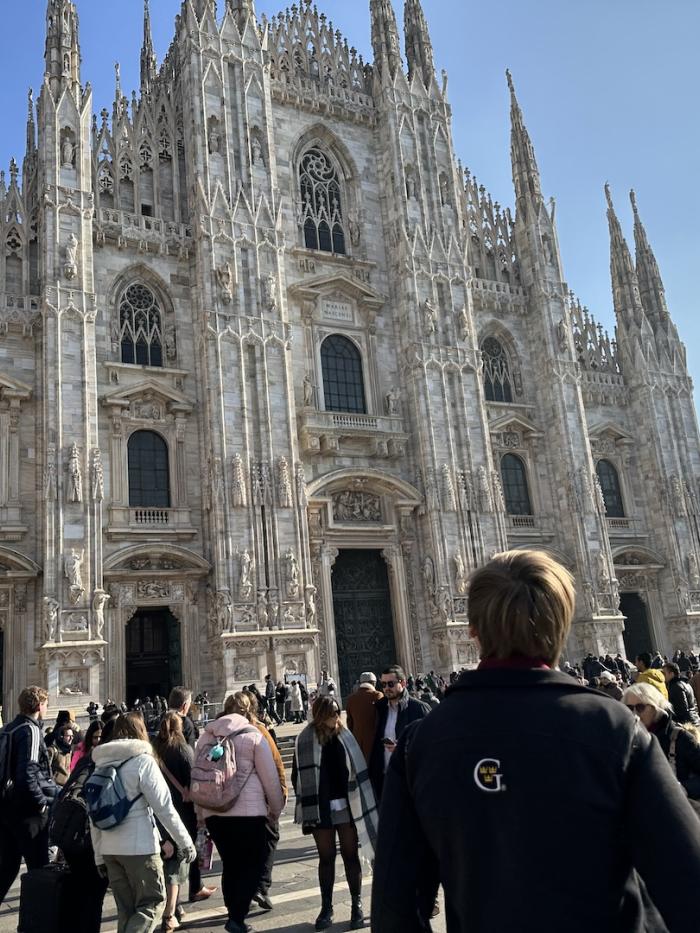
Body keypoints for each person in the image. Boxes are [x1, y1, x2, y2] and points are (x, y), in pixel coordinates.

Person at [371, 549, 700, 932]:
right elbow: (687, 885)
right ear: (562, 622)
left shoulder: (421, 744)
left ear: (472, 630)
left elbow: (394, 909)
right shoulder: (614, 730)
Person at [90, 712, 196, 932]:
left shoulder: (100, 765)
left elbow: (95, 814)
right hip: (139, 849)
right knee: (153, 904)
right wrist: (185, 842)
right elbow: (165, 808)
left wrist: (99, 855)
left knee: (127, 911)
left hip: (110, 850)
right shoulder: (143, 761)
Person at [196, 696, 285, 933]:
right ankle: (236, 916)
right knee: (253, 865)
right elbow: (270, 779)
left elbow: (198, 776)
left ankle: (234, 913)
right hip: (249, 814)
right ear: (249, 711)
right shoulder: (253, 735)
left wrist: (201, 811)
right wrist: (275, 810)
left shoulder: (206, 735)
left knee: (232, 864)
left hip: (215, 813)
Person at [292, 696, 378, 931]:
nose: (336, 716)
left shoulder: (346, 736)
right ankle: (326, 907)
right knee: (326, 858)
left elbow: (358, 768)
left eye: (338, 711)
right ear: (320, 714)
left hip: (348, 806)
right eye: (332, 712)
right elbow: (296, 775)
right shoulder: (305, 739)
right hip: (320, 810)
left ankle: (357, 905)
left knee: (351, 856)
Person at [224, 691, 287, 913]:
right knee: (266, 841)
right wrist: (279, 800)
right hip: (254, 805)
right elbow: (275, 766)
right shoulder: (258, 731)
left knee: (233, 857)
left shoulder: (213, 734)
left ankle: (235, 908)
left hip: (222, 808)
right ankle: (259, 888)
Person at [153, 712, 216, 932]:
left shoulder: (154, 750)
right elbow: (195, 782)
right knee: (179, 862)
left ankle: (174, 904)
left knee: (166, 860)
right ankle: (172, 910)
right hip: (182, 814)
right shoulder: (183, 750)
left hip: (159, 815)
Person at [0, 685, 58, 905]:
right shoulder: (30, 730)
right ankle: (36, 922)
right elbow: (28, 771)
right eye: (46, 704)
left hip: (6, 808)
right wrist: (41, 803)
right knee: (39, 870)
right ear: (39, 705)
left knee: (7, 867)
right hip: (28, 812)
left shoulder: (8, 728)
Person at [623, 682, 700, 798]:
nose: (634, 714)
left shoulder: (680, 737)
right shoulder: (624, 738)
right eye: (629, 708)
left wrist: (683, 788)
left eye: (640, 707)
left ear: (656, 708)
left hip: (674, 810)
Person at [368, 665, 430, 802]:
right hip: (385, 779)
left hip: (409, 779)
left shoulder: (419, 709)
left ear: (403, 683)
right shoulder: (379, 709)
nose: (386, 688)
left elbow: (431, 745)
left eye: (390, 684)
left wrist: (403, 748)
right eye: (383, 684)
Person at [346, 672, 383, 763]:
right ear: (373, 683)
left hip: (357, 742)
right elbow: (381, 720)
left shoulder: (351, 698)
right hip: (375, 743)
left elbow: (349, 723)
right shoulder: (377, 695)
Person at [48, 720, 77, 786]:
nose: (71, 738)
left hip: (67, 786)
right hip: (55, 787)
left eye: (72, 736)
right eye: (68, 736)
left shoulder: (70, 751)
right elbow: (45, 771)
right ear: (61, 737)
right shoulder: (52, 750)